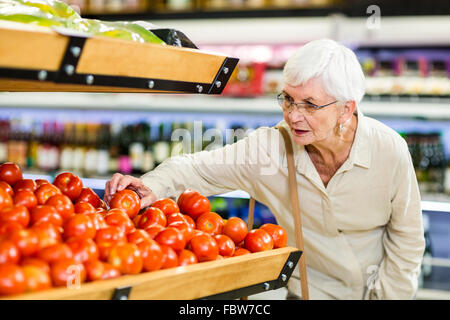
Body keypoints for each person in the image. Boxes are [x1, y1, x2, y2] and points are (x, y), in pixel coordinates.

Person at [104, 39, 425, 300]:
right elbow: (195, 170)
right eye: (287, 99)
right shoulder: (271, 148)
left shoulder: (388, 150)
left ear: (346, 109)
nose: (293, 115)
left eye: (309, 105)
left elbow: (407, 240)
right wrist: (151, 186)